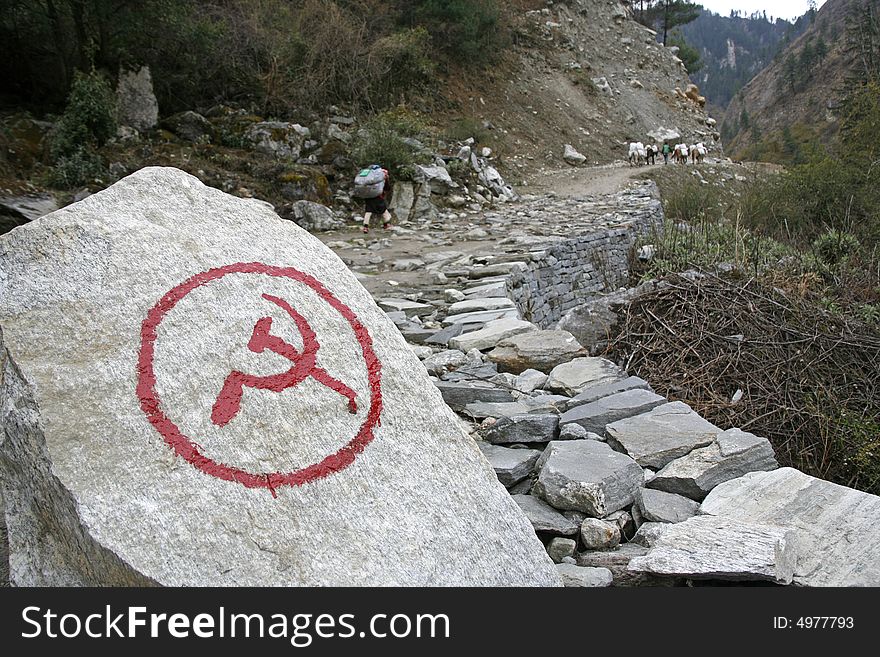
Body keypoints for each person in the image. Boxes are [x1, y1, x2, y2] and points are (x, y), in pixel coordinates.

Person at [361, 165, 392, 234]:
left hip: (367, 196)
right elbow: (387, 187)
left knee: (368, 211)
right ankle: (387, 224)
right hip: (378, 196)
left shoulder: (367, 176)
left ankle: (365, 227)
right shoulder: (382, 176)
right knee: (383, 210)